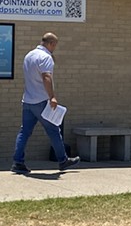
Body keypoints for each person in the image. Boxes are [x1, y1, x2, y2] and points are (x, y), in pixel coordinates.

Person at [11, 32, 80, 174]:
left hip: (27, 100)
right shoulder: (45, 57)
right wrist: (52, 97)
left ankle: (18, 162)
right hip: (41, 101)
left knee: (24, 131)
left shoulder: (29, 55)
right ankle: (63, 160)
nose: (54, 48)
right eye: (55, 45)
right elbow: (46, 77)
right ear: (51, 44)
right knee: (54, 130)